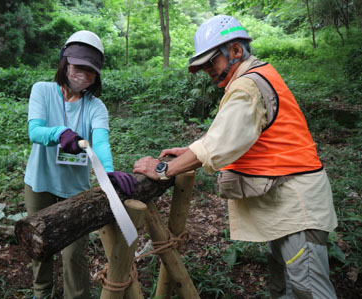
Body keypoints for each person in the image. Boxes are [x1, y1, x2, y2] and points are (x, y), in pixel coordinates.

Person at [133, 15, 338, 298]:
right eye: (203, 66)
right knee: (288, 287)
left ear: (236, 51)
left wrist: (161, 169)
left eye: (210, 63)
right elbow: (238, 132)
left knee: (309, 291)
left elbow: (219, 145)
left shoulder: (247, 86)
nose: (207, 71)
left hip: (296, 207)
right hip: (285, 203)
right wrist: (190, 150)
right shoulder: (257, 76)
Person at [24, 30, 136, 299]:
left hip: (75, 190)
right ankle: (43, 294)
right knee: (40, 248)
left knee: (74, 253)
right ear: (65, 62)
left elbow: (101, 143)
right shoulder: (43, 91)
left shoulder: (96, 107)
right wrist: (59, 134)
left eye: (90, 71)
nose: (83, 76)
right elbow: (35, 131)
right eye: (78, 68)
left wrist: (107, 172)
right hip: (39, 184)